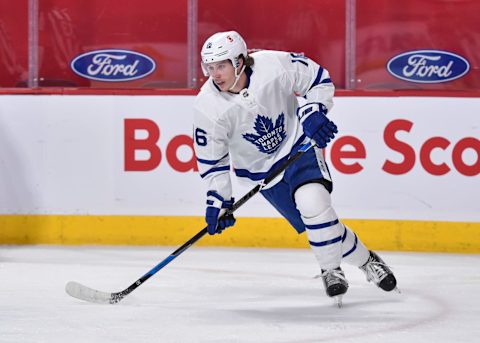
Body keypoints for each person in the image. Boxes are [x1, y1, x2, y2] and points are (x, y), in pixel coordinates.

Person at [193, 31, 397, 304]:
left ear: (239, 61)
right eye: (210, 67)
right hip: (262, 175)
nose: (215, 74)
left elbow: (317, 79)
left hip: (297, 146)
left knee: (314, 205)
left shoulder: (273, 65)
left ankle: (331, 271)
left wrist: (313, 111)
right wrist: (219, 201)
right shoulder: (208, 106)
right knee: (320, 225)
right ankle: (367, 261)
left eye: (221, 65)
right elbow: (213, 159)